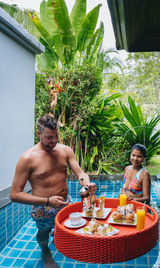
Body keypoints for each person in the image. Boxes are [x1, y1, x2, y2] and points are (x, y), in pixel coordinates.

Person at [10, 114, 97, 268]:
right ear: (38, 134)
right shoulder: (27, 159)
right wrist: (48, 201)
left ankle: (57, 234)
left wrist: (87, 184)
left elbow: (80, 173)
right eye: (49, 137)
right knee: (44, 231)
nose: (54, 140)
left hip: (65, 201)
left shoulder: (65, 150)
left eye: (56, 135)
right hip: (44, 207)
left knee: (66, 226)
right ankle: (45, 250)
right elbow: (15, 194)